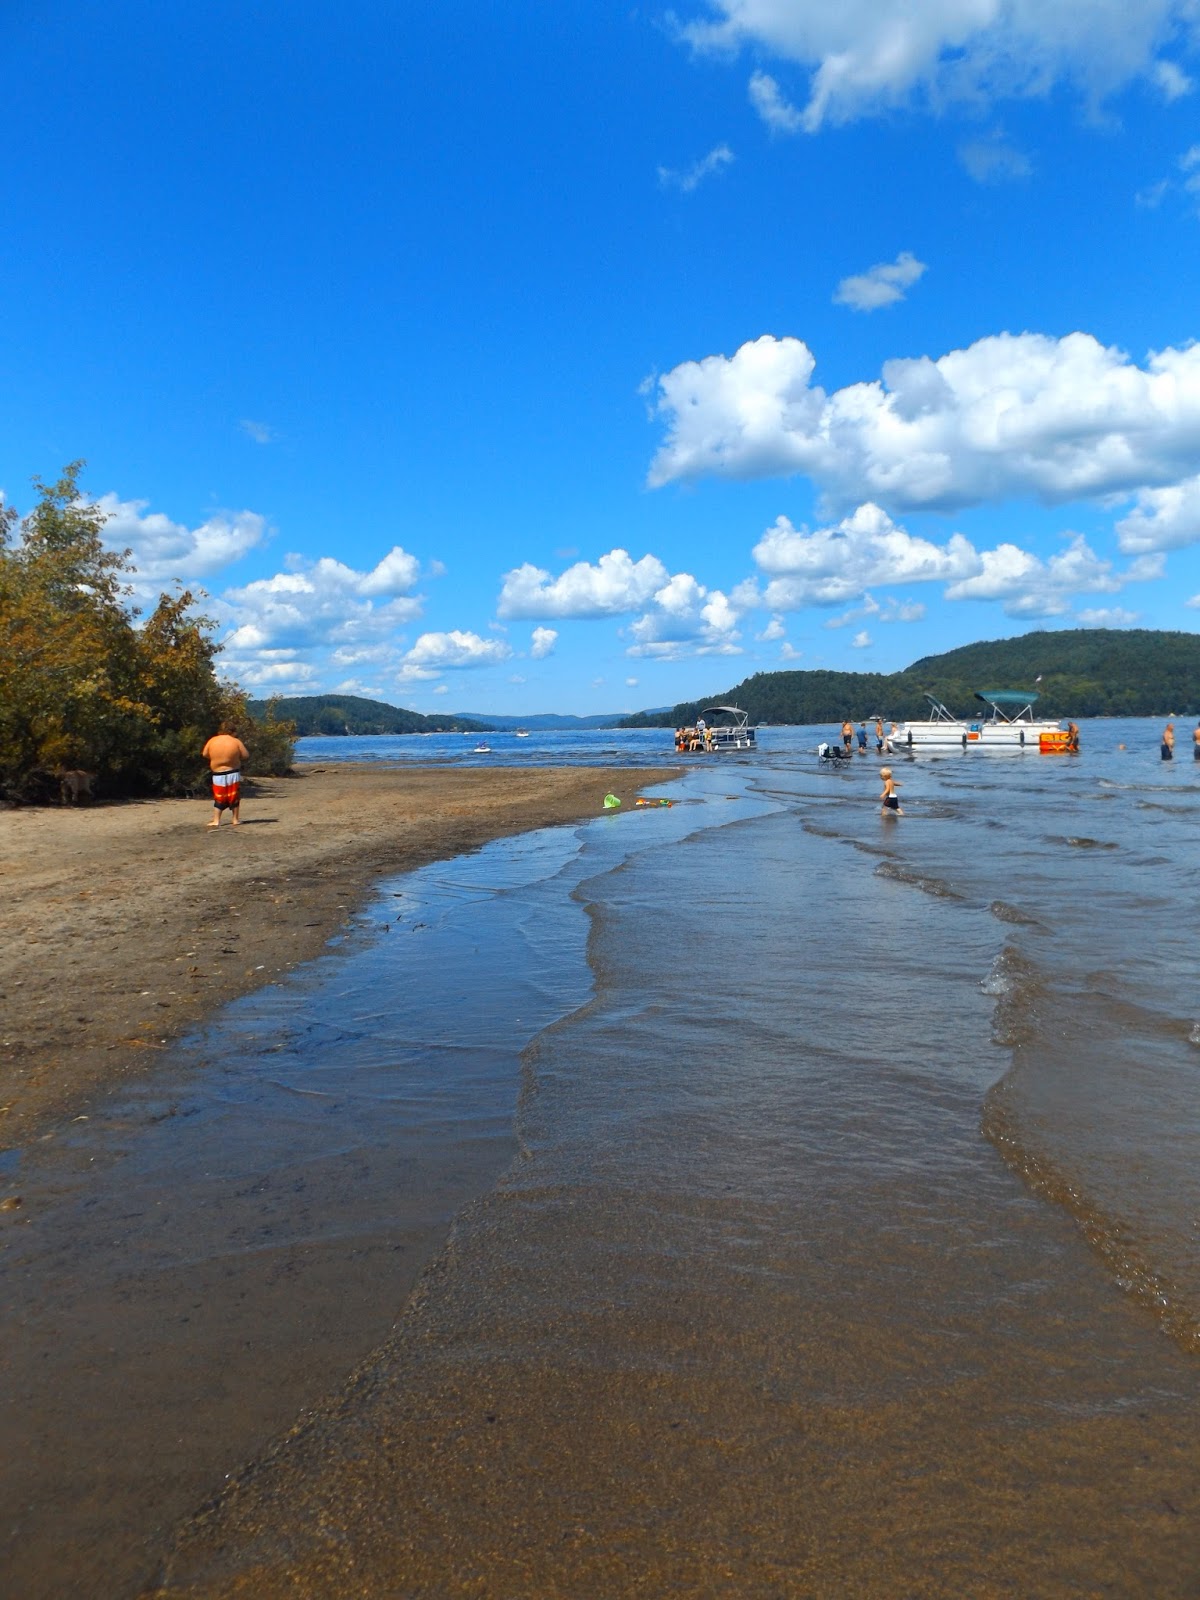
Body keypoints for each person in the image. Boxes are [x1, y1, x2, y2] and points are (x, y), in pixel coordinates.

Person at [202, 722, 249, 828]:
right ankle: (235, 819)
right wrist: (235, 757)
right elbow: (245, 755)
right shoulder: (235, 741)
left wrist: (215, 757)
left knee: (219, 797)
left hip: (218, 773)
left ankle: (216, 820)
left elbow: (205, 754)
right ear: (232, 731)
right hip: (233, 772)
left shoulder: (212, 741)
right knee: (234, 796)